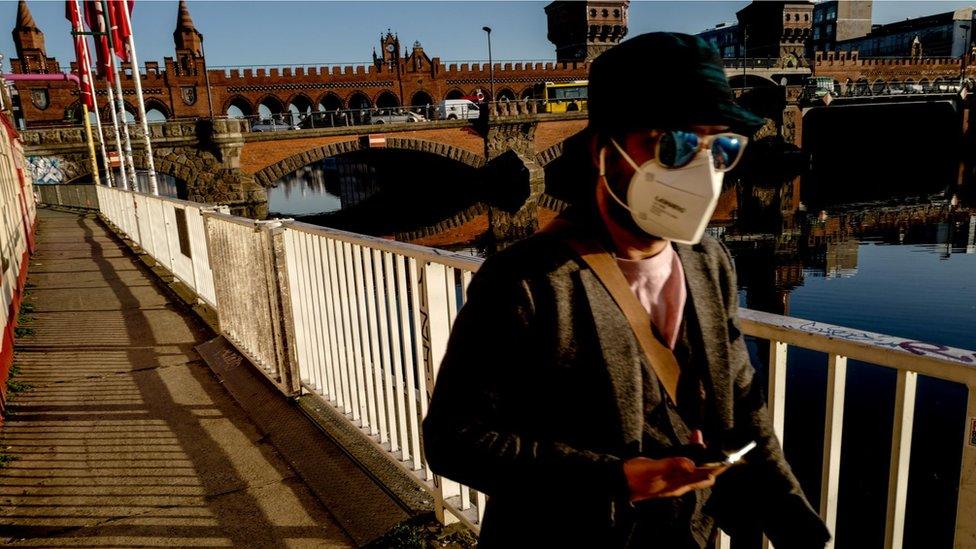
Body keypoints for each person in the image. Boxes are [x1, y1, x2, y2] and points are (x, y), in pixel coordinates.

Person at [422, 32, 830, 548]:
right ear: (602, 150)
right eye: (672, 144)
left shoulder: (709, 261)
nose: (701, 170)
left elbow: (742, 408)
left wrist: (799, 525)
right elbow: (454, 441)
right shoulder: (524, 280)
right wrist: (616, 479)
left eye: (720, 147)